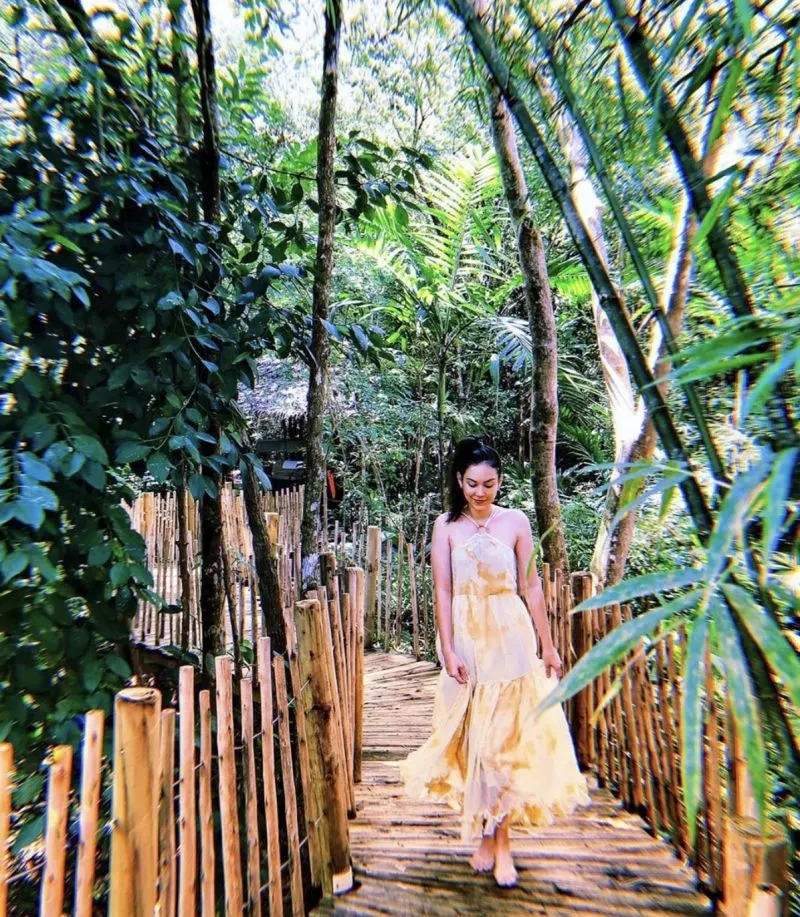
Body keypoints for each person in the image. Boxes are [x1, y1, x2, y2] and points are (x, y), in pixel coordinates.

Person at [400, 435, 589, 887]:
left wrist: (547, 644)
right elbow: (442, 589)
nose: (479, 492)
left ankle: (503, 843)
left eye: (488, 484)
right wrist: (448, 648)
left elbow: (532, 587)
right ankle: (487, 831)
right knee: (475, 744)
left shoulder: (516, 522)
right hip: (468, 641)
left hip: (511, 640)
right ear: (458, 481)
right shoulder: (446, 526)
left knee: (504, 742)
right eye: (471, 484)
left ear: (500, 482)